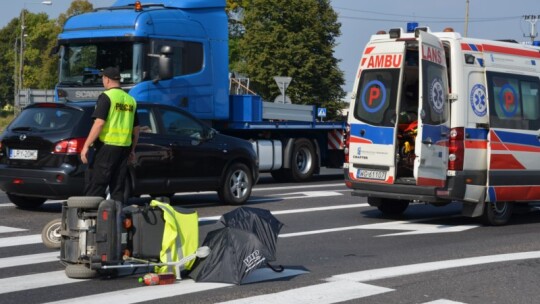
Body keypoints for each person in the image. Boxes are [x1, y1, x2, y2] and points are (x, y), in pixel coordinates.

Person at [81, 66, 140, 203]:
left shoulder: (106, 97)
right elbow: (136, 129)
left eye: (102, 78)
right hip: (124, 148)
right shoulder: (131, 100)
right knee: (117, 188)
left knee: (96, 185)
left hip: (107, 147)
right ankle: (116, 220)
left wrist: (86, 145)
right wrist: (132, 150)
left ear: (107, 79)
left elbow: (99, 123)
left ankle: (91, 221)